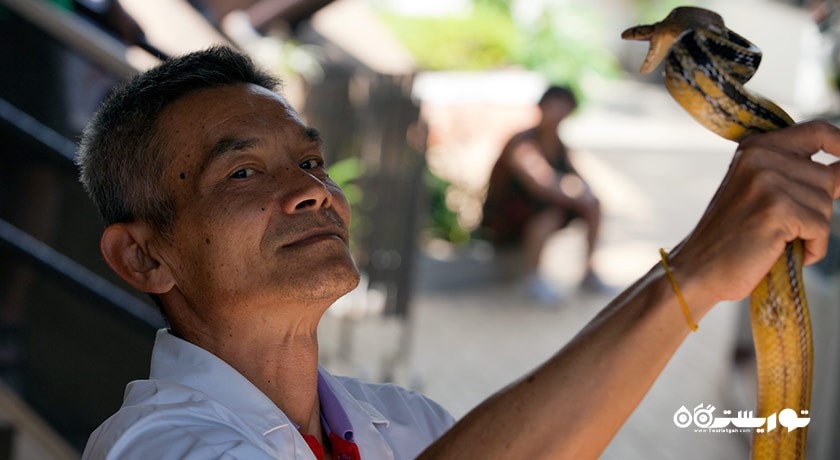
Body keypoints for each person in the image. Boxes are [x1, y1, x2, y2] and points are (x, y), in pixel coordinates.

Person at [77, 46, 840, 459]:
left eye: (309, 162)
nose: (312, 191)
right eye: (243, 172)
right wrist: (696, 273)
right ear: (145, 258)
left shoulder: (408, 424)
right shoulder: (160, 446)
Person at [481, 85, 605, 304]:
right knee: (550, 215)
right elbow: (540, 182)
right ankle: (531, 278)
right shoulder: (523, 142)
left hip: (539, 207)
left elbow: (579, 179)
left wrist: (582, 195)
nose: (558, 114)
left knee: (593, 205)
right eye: (554, 106)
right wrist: (573, 193)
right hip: (506, 216)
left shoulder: (558, 145)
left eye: (563, 108)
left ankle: (588, 271)